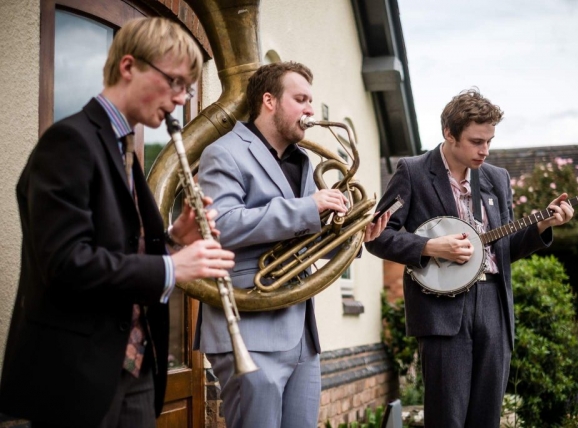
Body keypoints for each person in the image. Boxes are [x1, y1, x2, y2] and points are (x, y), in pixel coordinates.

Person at [0, 17, 235, 428]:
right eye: (175, 82)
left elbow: (118, 246)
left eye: (188, 88)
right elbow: (66, 262)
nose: (181, 99)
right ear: (129, 67)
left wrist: (173, 238)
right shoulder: (69, 142)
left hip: (136, 371)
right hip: (78, 375)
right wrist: (172, 267)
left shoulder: (123, 146)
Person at [195, 61, 389, 428]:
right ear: (269, 101)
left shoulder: (304, 161)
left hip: (302, 334)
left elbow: (309, 239)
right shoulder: (224, 152)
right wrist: (308, 207)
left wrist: (352, 238)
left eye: (311, 102)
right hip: (249, 329)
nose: (310, 110)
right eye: (300, 99)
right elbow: (220, 226)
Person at [365, 88, 574, 427]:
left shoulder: (496, 178)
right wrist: (429, 247)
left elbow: (504, 250)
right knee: (447, 416)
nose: (485, 150)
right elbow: (378, 237)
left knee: (487, 416)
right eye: (477, 141)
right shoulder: (413, 172)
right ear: (450, 134)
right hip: (442, 310)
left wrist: (542, 226)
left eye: (489, 141)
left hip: (494, 303)